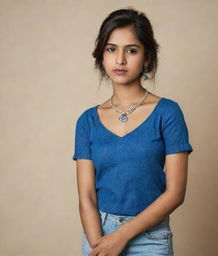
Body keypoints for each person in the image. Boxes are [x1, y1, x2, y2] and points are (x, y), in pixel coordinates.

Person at [72, 7, 193, 256]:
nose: (120, 60)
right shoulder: (87, 121)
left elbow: (175, 193)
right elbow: (86, 197)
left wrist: (121, 237)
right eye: (111, 49)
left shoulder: (167, 113)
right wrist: (99, 245)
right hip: (98, 233)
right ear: (101, 57)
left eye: (132, 50)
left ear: (147, 58)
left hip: (150, 238)